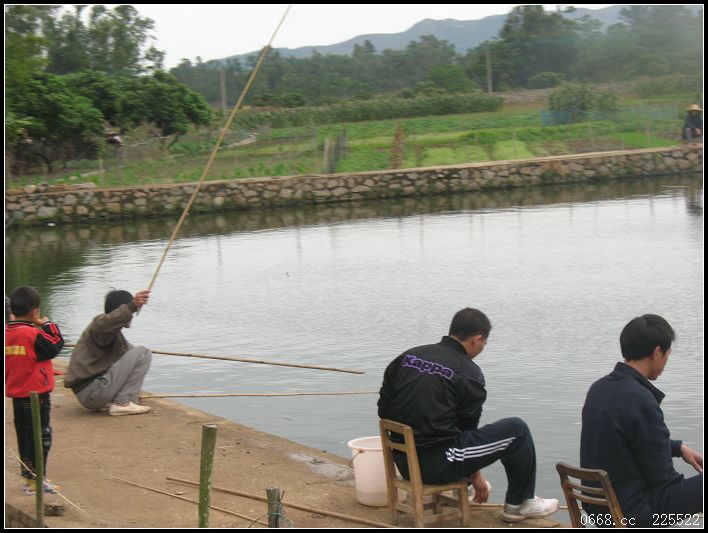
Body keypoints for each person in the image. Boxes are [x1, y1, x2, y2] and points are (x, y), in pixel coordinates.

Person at [378, 308, 559, 522]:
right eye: (484, 343)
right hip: (437, 466)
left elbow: (383, 410)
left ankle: (478, 488)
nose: (482, 348)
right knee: (517, 430)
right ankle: (519, 504)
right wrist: (475, 474)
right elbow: (467, 430)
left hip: (404, 462)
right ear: (477, 339)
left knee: (446, 433)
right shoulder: (469, 373)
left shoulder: (407, 357)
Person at [580, 314, 703, 528]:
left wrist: (677, 448)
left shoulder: (598, 389)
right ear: (657, 353)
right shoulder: (641, 399)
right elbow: (662, 478)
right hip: (633, 516)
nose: (666, 360)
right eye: (668, 354)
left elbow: (625, 441)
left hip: (601, 512)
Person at [5, 286, 65, 495]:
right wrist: (47, 324)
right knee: (41, 438)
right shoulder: (32, 334)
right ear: (34, 312)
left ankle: (29, 479)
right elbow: (56, 344)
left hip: (17, 396)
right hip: (36, 397)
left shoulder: (7, 333)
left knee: (25, 437)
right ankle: (37, 482)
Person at [64, 289, 153, 416]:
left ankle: (127, 399)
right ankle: (122, 403)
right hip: (92, 392)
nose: (132, 316)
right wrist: (132, 306)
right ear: (119, 311)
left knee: (133, 351)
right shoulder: (99, 326)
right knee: (143, 353)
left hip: (92, 394)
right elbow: (108, 321)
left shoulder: (115, 336)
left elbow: (128, 364)